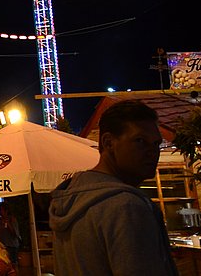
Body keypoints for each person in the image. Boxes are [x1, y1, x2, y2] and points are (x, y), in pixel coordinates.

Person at [48, 99, 178, 276]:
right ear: (108, 143)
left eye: (156, 143)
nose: (152, 151)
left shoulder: (69, 201)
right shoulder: (127, 207)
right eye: (140, 141)